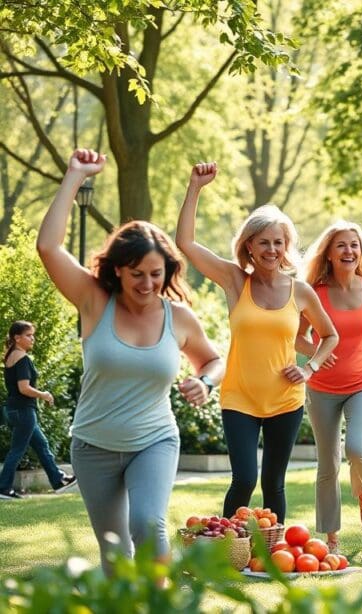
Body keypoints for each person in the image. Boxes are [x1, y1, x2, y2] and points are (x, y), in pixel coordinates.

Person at [36, 149, 224, 572]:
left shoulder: (178, 318)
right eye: (137, 273)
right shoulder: (93, 301)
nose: (147, 283)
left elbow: (212, 360)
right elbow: (48, 247)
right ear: (118, 270)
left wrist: (206, 382)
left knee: (148, 523)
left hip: (154, 442)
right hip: (93, 446)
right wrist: (75, 176)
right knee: (115, 553)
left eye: (156, 274)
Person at [176, 161, 338, 523]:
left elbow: (330, 336)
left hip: (285, 398)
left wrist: (309, 367)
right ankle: (228, 547)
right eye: (263, 242)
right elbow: (185, 243)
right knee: (245, 478)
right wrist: (195, 188)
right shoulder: (235, 281)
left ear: (286, 246)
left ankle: (272, 550)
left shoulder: (301, 291)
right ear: (249, 245)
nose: (271, 249)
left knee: (273, 483)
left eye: (278, 242)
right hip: (240, 396)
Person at [298, 221, 362, 552]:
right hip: (322, 387)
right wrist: (317, 354)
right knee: (328, 465)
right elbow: (298, 338)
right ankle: (331, 537)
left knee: (357, 447)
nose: (349, 251)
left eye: (354, 245)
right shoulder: (314, 293)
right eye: (341, 245)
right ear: (329, 253)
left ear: (361, 251)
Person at [0, 321, 77, 499]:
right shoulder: (23, 359)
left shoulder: (10, 355)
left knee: (41, 445)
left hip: (14, 409)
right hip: (23, 411)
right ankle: (3, 487)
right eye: (28, 335)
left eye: (33, 335)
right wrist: (44, 395)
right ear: (17, 338)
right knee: (17, 450)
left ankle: (57, 480)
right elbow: (24, 388)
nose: (32, 339)